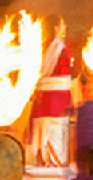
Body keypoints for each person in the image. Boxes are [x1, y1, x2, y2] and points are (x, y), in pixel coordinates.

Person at [30, 18, 75, 167]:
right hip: (56, 103)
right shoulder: (59, 48)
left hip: (45, 102)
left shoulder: (41, 47)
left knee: (46, 136)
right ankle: (54, 169)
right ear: (56, 28)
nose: (65, 26)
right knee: (55, 137)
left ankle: (45, 165)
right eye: (62, 23)